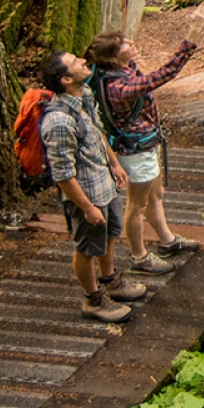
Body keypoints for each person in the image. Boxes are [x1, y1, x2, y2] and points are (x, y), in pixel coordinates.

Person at [37, 52, 151, 322]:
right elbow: (63, 174)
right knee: (87, 247)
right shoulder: (59, 122)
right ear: (65, 79)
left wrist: (114, 164)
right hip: (86, 194)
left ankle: (110, 280)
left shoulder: (84, 95)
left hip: (104, 183)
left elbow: (97, 130)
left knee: (110, 234)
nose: (82, 61)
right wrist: (87, 208)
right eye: (75, 62)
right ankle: (93, 300)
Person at [81, 33, 201, 276]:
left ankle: (167, 241)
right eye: (124, 44)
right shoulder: (118, 87)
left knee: (156, 194)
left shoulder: (123, 71)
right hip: (135, 151)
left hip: (147, 144)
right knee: (136, 206)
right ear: (113, 58)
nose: (131, 43)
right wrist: (185, 48)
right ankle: (139, 256)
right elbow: (159, 77)